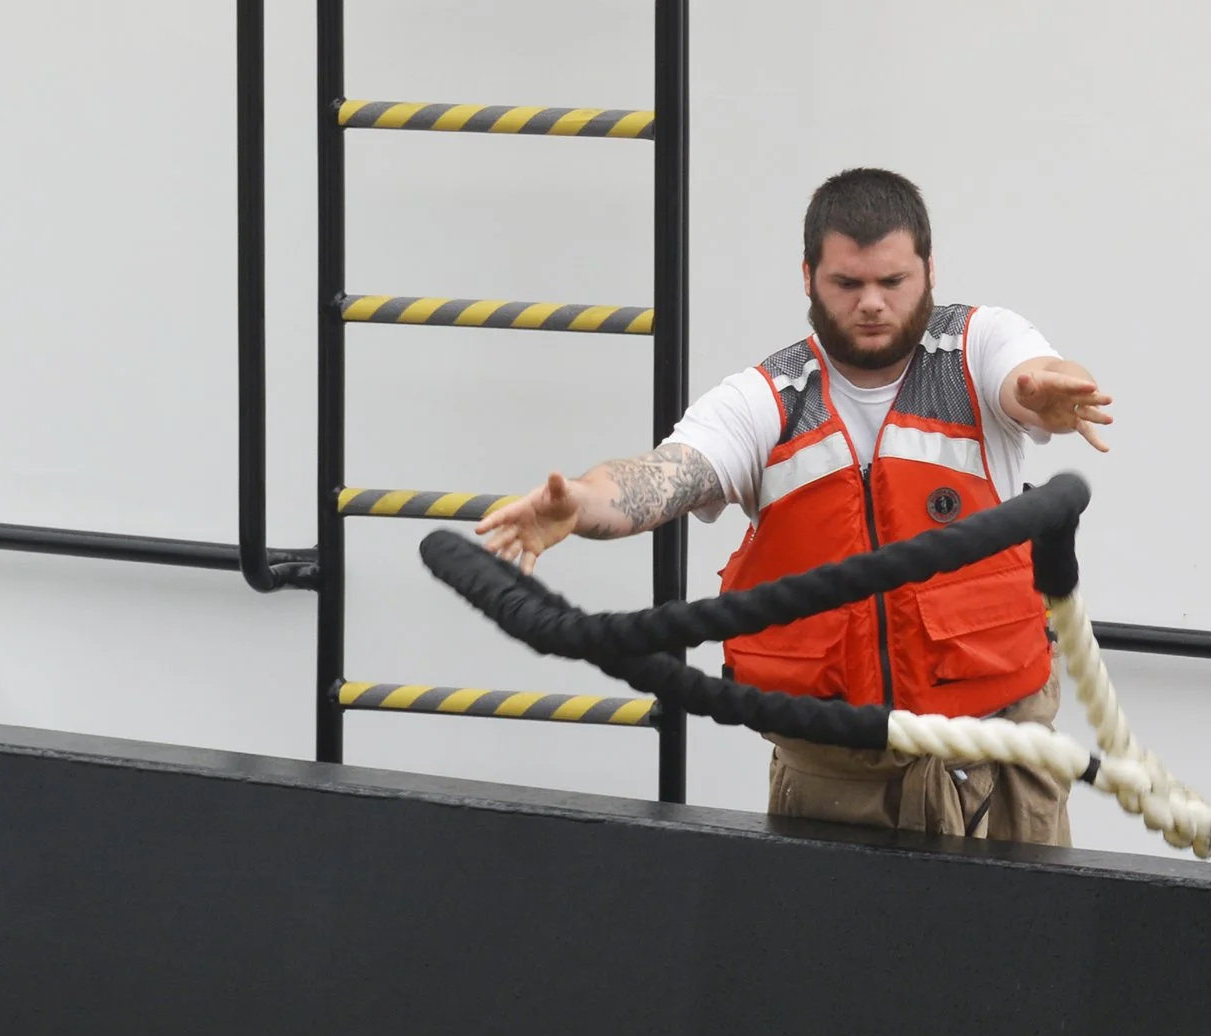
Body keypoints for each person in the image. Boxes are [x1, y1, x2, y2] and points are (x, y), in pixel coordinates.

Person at [474, 168, 1113, 845]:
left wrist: (1054, 389)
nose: (872, 303)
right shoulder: (764, 400)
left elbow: (1032, 374)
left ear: (928, 271)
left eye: (892, 282)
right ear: (808, 276)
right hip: (836, 775)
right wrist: (581, 502)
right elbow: (669, 474)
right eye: (847, 283)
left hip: (999, 754)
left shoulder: (978, 347)